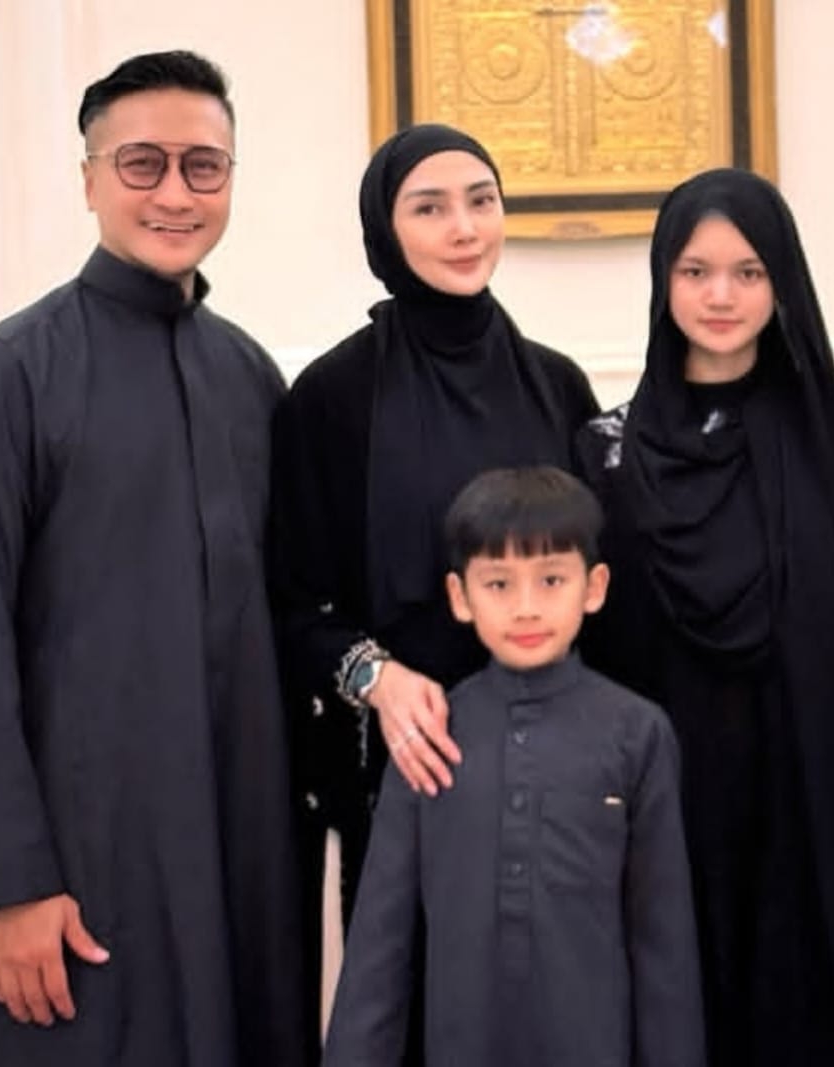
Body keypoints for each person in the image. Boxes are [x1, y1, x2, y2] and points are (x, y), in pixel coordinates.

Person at [0, 51, 305, 1066]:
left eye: (203, 166)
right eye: (143, 163)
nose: (175, 193)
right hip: (79, 854)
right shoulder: (6, 375)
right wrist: (9, 882)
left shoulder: (250, 375)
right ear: (89, 178)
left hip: (238, 842)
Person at [575, 168, 834, 1067]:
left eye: (748, 272)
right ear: (663, 280)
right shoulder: (606, 453)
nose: (720, 296)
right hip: (667, 789)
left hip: (813, 792)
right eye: (694, 271)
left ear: (783, 281)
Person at [268, 124, 599, 998]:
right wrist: (378, 678)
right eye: (430, 208)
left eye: (481, 201)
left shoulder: (559, 385)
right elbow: (292, 603)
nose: (464, 228)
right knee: (414, 1009)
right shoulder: (332, 399)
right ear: (386, 229)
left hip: (553, 763)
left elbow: (601, 585)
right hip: (406, 766)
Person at [321, 466, 704, 1066]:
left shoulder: (638, 734)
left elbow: (664, 948)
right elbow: (379, 948)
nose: (526, 608)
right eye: (499, 584)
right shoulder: (430, 734)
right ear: (460, 597)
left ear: (594, 587)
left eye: (551, 579)